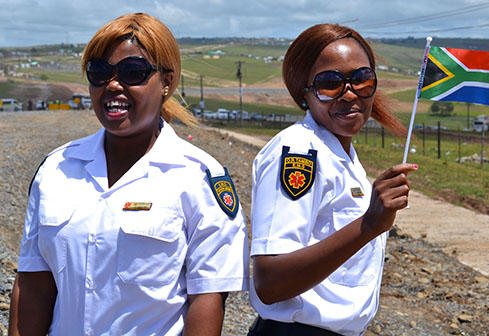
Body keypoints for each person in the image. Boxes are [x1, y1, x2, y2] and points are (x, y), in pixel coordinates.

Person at [9, 13, 249, 336]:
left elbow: (206, 300)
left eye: (132, 72)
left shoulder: (199, 179)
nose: (113, 85)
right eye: (99, 73)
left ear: (167, 81)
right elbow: (33, 287)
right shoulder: (55, 171)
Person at [248, 24, 417, 336]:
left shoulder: (341, 157)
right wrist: (369, 225)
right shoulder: (299, 153)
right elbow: (270, 283)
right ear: (304, 93)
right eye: (329, 84)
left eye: (362, 79)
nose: (349, 93)